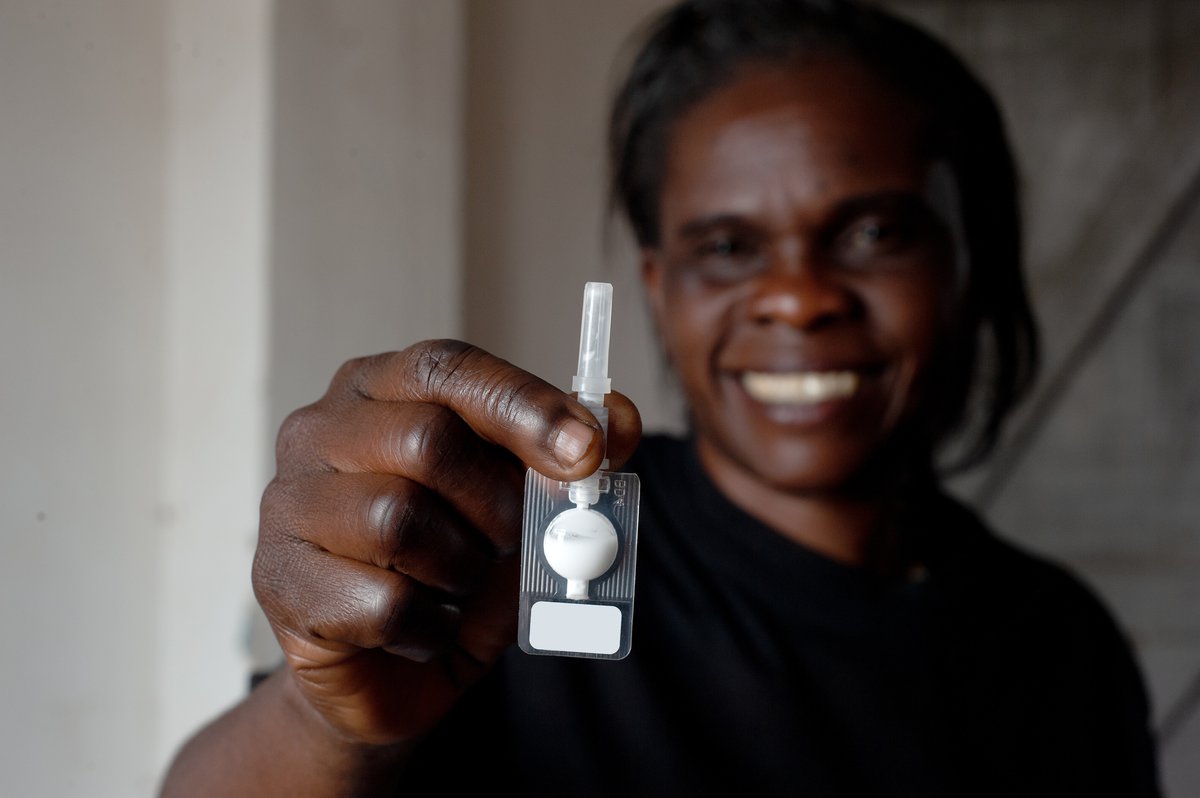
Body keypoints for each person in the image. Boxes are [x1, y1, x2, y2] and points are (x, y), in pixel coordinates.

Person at [161, 0, 1161, 795]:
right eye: (727, 248)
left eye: (874, 233)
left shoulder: (1058, 644)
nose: (800, 299)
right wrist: (322, 720)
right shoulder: (501, 555)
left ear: (963, 263)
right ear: (657, 286)